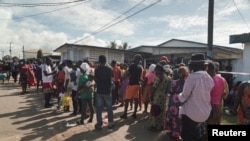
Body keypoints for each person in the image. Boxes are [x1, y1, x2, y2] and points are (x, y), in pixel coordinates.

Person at [178, 53, 214, 141]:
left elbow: (184, 96)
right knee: (200, 136)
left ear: (192, 66)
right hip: (205, 113)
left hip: (191, 114)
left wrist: (179, 96)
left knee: (188, 137)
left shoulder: (191, 78)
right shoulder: (209, 78)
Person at [164, 66, 189, 141]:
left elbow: (170, 92)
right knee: (179, 120)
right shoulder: (187, 83)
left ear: (178, 73)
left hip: (173, 103)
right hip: (182, 103)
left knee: (172, 118)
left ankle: (174, 134)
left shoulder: (174, 82)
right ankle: (176, 133)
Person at [148, 62, 170, 132]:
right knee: (162, 111)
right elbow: (167, 88)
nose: (155, 71)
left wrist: (151, 96)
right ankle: (161, 125)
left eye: (156, 70)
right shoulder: (167, 77)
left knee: (155, 110)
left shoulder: (158, 77)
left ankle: (154, 126)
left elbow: (154, 87)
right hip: (163, 96)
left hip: (157, 96)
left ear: (159, 69)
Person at [120, 54, 144, 119]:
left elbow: (126, 74)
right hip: (137, 84)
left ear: (135, 59)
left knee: (127, 99)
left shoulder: (132, 66)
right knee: (136, 99)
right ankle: (134, 113)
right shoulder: (140, 67)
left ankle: (125, 114)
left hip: (131, 85)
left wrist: (122, 77)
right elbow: (139, 77)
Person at [94, 55, 114, 131]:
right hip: (107, 91)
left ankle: (99, 123)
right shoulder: (110, 69)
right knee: (109, 107)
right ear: (106, 61)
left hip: (99, 91)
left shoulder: (97, 70)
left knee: (99, 108)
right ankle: (110, 123)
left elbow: (96, 80)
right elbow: (112, 81)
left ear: (99, 61)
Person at [206, 61, 226, 125]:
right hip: (218, 106)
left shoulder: (209, 80)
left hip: (210, 107)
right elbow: (224, 93)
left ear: (208, 69)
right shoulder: (222, 79)